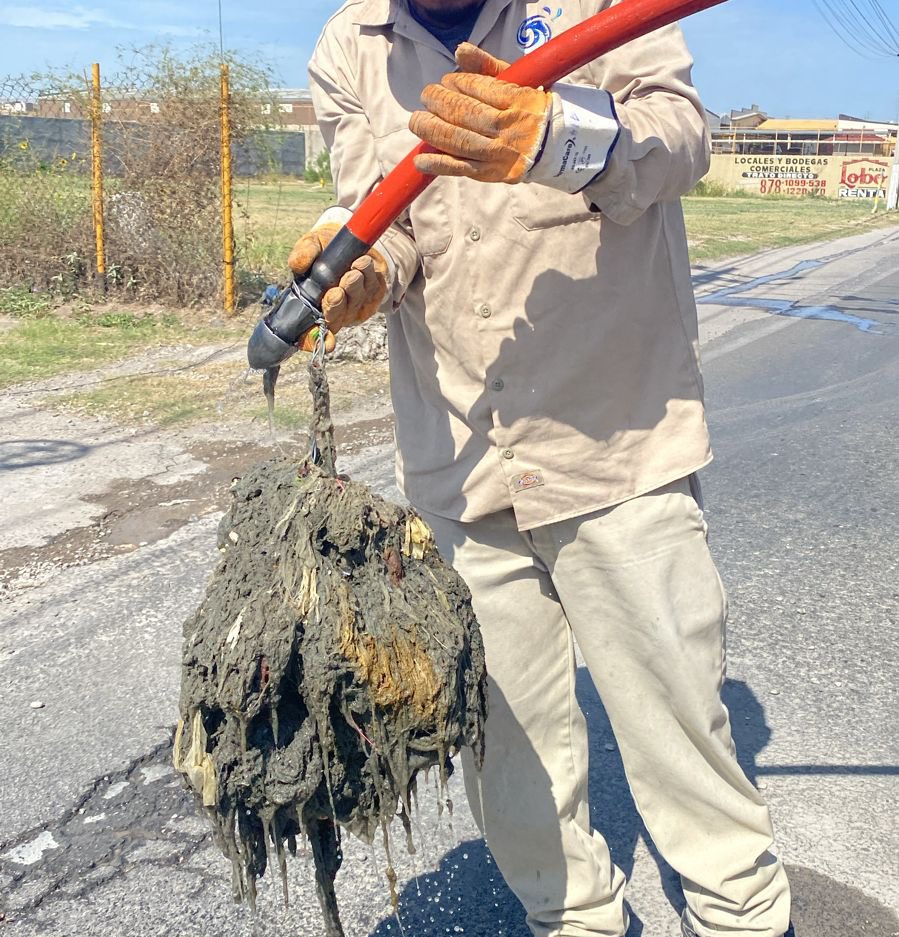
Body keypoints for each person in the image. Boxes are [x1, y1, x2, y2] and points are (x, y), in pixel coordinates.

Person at [288, 0, 793, 934]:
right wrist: (360, 271)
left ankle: (741, 916)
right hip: (460, 455)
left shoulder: (603, 8)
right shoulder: (347, 43)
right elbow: (384, 216)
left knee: (678, 727)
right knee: (505, 750)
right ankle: (575, 920)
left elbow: (681, 137)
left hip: (614, 440)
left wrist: (557, 136)